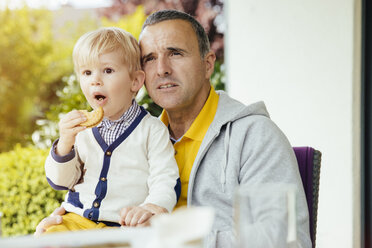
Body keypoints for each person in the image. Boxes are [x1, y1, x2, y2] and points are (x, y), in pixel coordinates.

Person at [36, 10, 311, 248]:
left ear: (207, 64)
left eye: (175, 53)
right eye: (150, 58)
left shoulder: (254, 137)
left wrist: (172, 237)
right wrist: (71, 231)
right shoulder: (141, 134)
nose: (162, 69)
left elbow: (284, 241)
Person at [42, 27, 180, 233]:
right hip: (77, 219)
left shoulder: (152, 130)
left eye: (107, 70)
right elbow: (61, 182)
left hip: (122, 226)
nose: (95, 80)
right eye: (87, 72)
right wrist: (64, 145)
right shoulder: (81, 131)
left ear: (135, 81)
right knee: (50, 235)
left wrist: (152, 207)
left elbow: (165, 178)